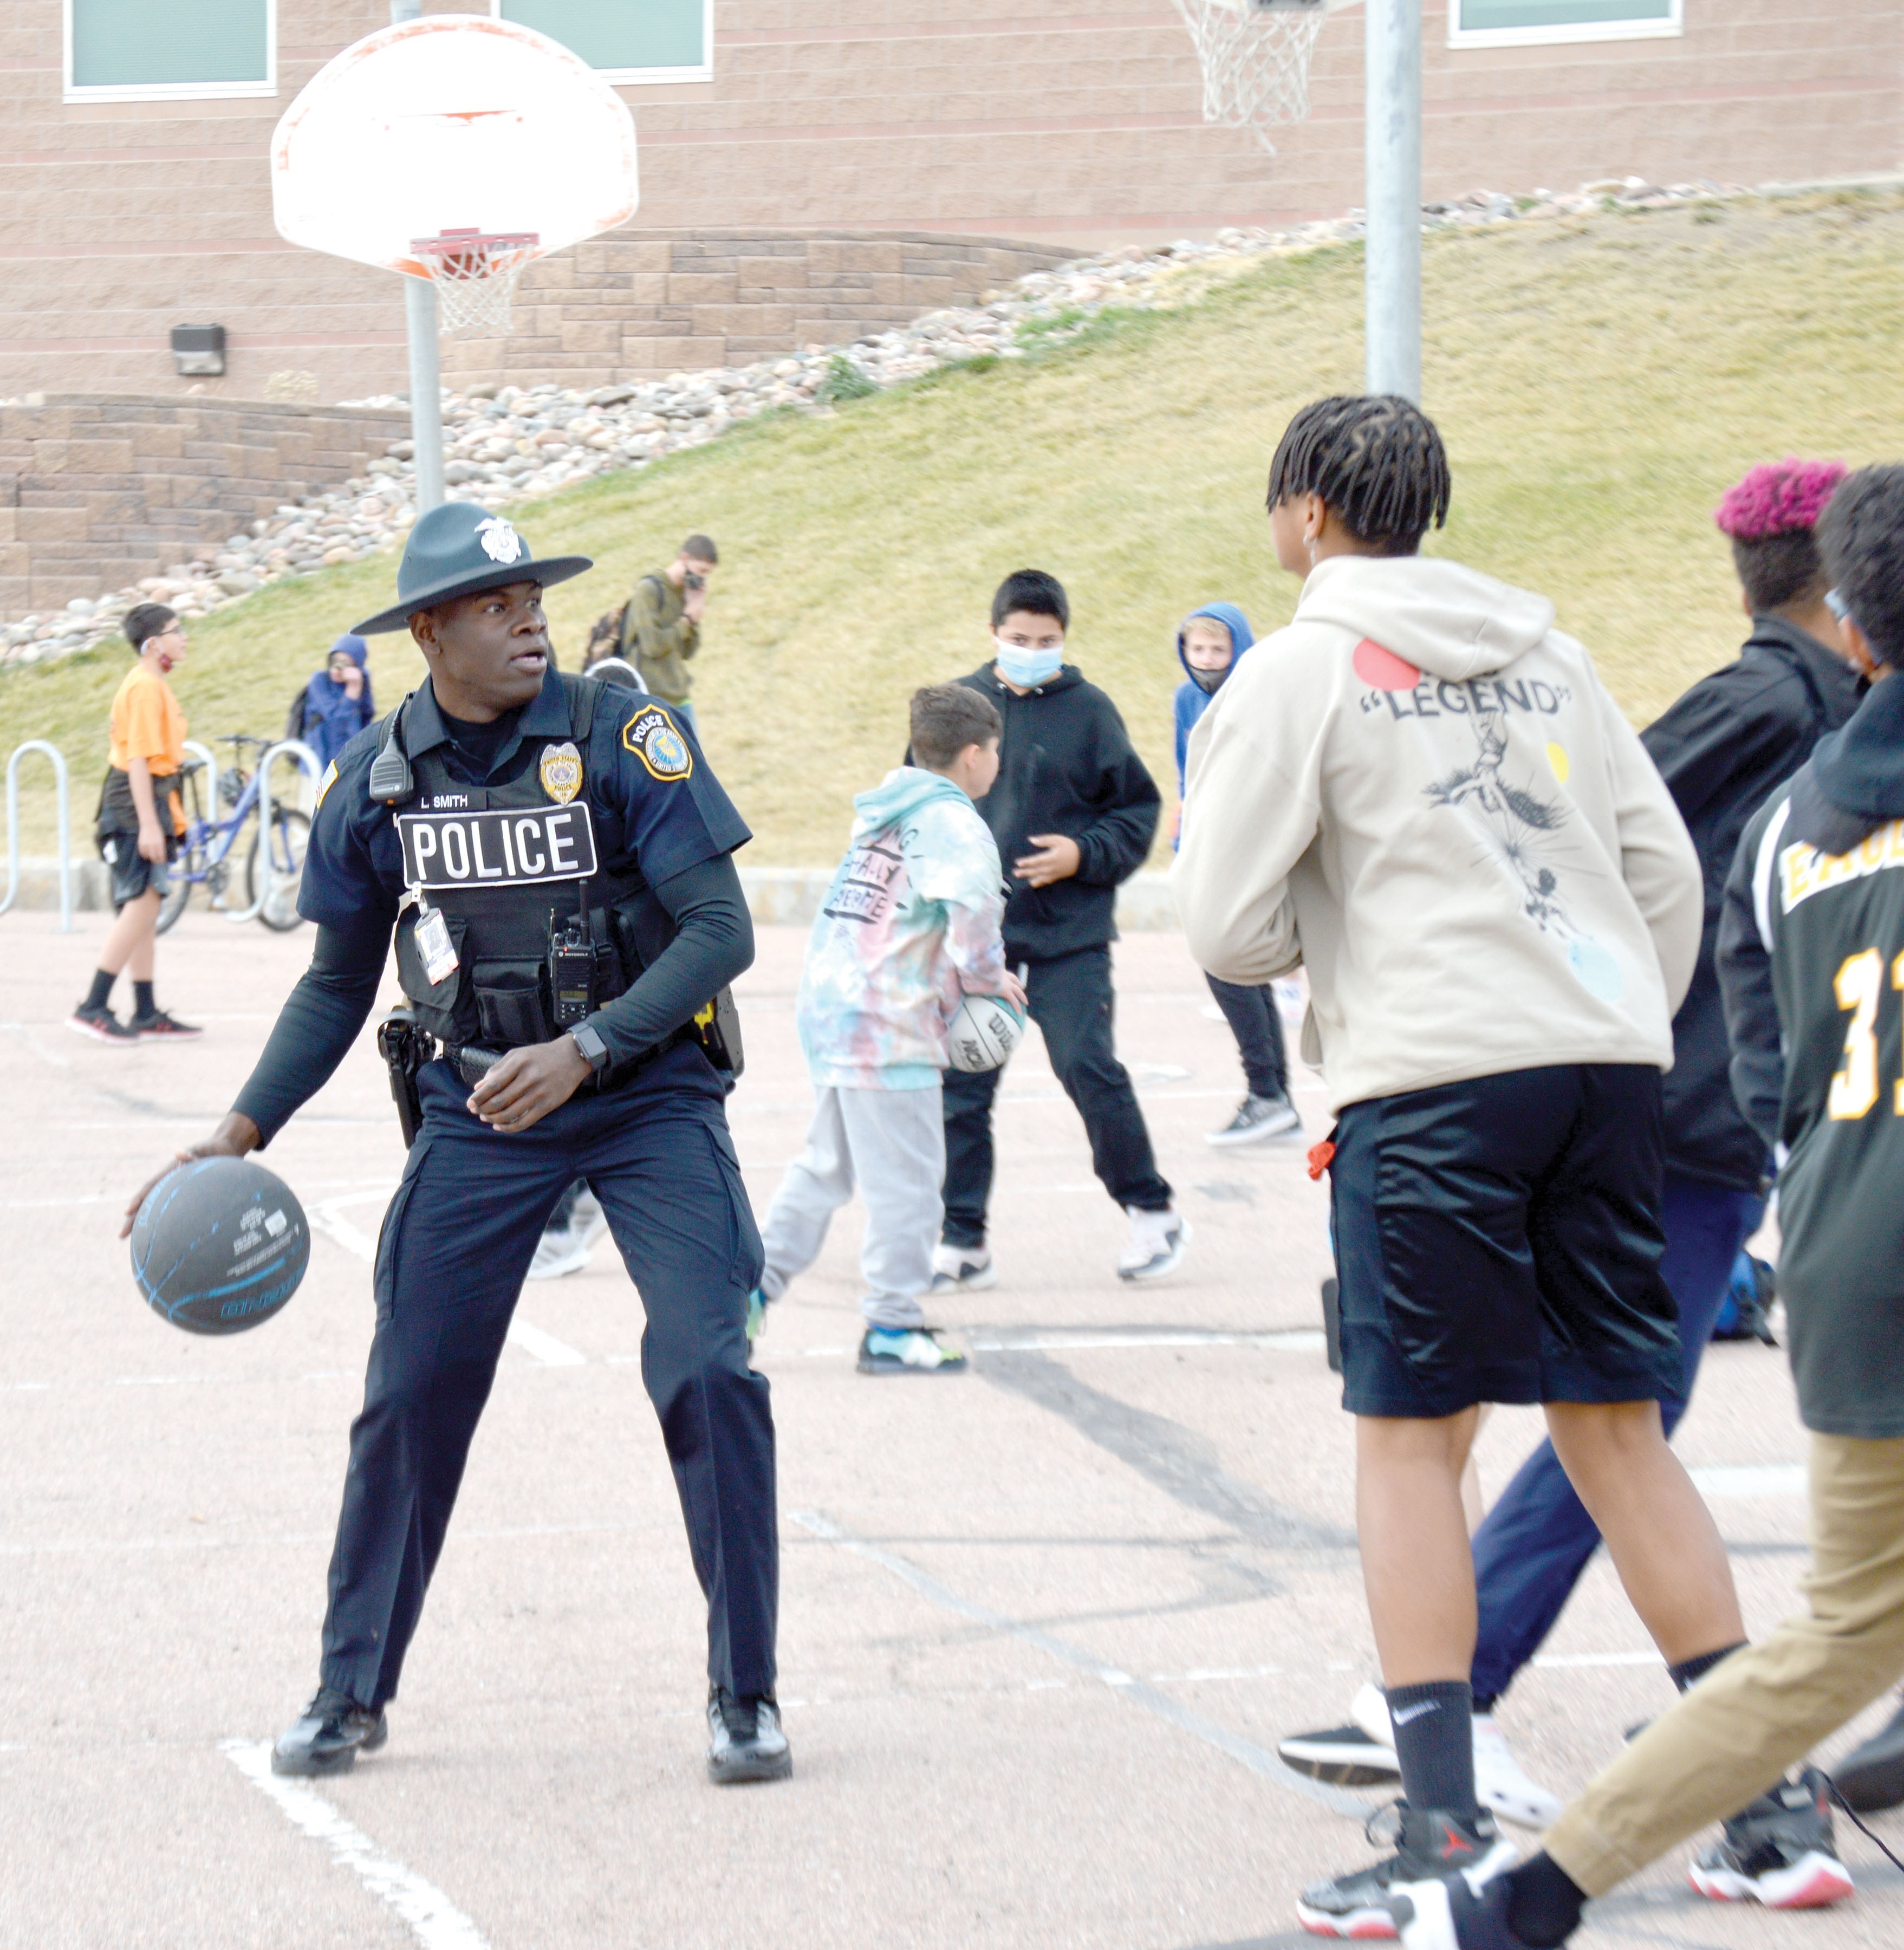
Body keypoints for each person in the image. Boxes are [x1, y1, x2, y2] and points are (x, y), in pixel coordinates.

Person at [1172, 395, 1747, 1939]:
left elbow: (1224, 924)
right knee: (1615, 1428)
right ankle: (1760, 1805)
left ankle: (1434, 1827)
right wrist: (1612, 1003)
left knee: (1411, 1438)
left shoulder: (1297, 670)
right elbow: (1662, 875)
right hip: (1600, 1066)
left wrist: (1350, 939)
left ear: (1301, 512)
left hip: (1429, 1079)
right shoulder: (1551, 656)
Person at [121, 502, 788, 1788]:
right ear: (430, 631)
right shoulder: (377, 778)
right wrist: (234, 1132)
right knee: (411, 1392)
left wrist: (589, 1049)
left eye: (535, 598)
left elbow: (719, 928)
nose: (531, 618)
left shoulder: (618, 733)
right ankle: (349, 1688)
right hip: (480, 1108)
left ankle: (744, 1690)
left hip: (646, 1095)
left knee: (711, 1367)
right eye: (498, 606)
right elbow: (334, 984)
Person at [1277, 454, 1867, 1830]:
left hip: (1683, 1089)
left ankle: (1507, 1707)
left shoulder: (1831, 703)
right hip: (1672, 1098)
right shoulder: (1769, 700)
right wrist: (1634, 1000)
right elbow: (1593, 838)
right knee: (1614, 1414)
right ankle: (1484, 1701)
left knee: (1605, 1413)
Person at [751, 683, 1025, 1374]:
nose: (995, 763)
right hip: (887, 1025)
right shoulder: (956, 824)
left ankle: (744, 1298)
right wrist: (994, 986)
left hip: (836, 1011)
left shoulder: (884, 816)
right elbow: (971, 930)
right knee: (909, 1182)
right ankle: (892, 1326)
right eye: (994, 752)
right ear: (973, 755)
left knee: (824, 1170)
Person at [934, 568, 1187, 1287]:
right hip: (978, 942)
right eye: (1017, 639)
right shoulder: (956, 707)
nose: (1031, 650)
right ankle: (962, 1239)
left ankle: (1152, 1213)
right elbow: (914, 806)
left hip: (1068, 935)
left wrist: (1083, 854)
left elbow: (1135, 813)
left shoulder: (1089, 711)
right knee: (962, 1084)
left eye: (1045, 641)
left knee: (1086, 1067)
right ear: (992, 635)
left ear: (1062, 641)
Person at [1172, 602, 1301, 1145]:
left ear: (1239, 650)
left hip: (1249, 841)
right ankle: (1272, 1096)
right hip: (1207, 841)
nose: (1205, 660)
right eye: (1196, 650)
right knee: (1233, 968)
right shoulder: (1185, 699)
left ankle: (1269, 1094)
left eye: (1217, 650)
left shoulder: (1257, 696)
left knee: (1225, 960)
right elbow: (1188, 769)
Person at [69, 602, 200, 1044]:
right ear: (152, 643)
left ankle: (145, 1010)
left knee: (149, 902)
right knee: (142, 902)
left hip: (150, 799)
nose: (183, 637)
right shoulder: (144, 686)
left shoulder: (152, 683)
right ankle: (93, 1006)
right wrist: (148, 824)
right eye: (175, 630)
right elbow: (139, 760)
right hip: (134, 803)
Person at [614, 534, 718, 735]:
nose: (703, 578)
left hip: (680, 696)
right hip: (652, 700)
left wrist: (693, 614)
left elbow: (688, 651)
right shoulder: (648, 590)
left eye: (708, 574)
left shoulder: (684, 593)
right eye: (701, 570)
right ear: (684, 558)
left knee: (694, 765)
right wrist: (687, 620)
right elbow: (652, 645)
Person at [300, 634, 378, 766]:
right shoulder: (320, 680)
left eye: (345, 664)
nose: (337, 668)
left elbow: (367, 714)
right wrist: (353, 690)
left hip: (350, 757)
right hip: (319, 758)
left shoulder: (362, 678)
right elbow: (337, 720)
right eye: (334, 661)